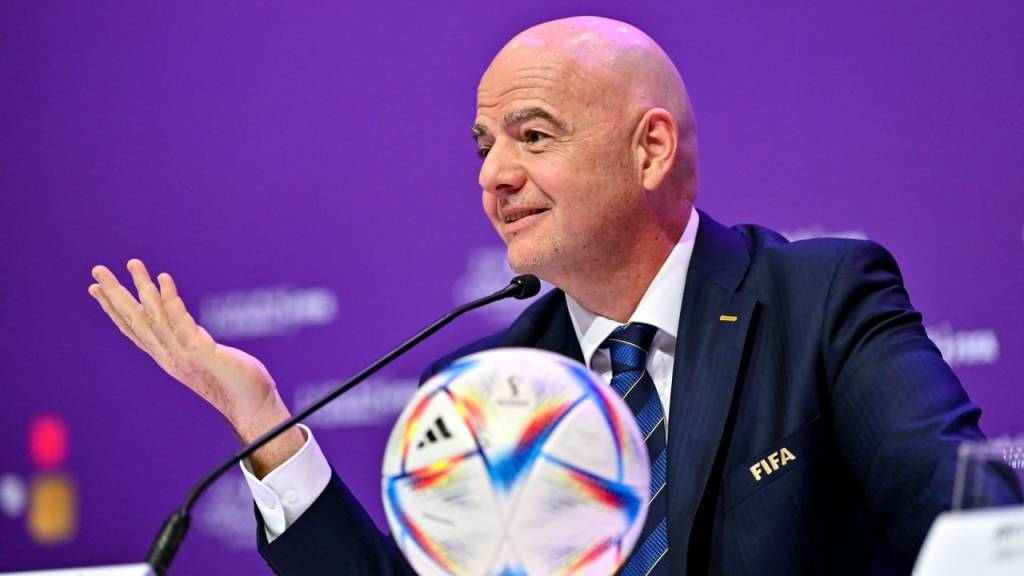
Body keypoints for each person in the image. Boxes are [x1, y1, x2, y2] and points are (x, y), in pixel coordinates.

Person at [87, 16, 1020, 576]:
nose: (493, 174)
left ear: (649, 150)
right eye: (484, 144)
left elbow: (969, 522)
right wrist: (264, 423)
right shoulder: (487, 385)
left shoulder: (820, 301)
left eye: (532, 136)